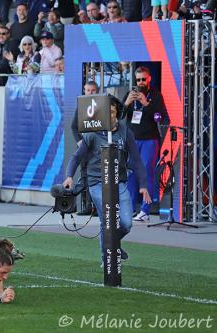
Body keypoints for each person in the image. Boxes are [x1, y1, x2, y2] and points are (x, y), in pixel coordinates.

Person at [63, 96, 152, 263]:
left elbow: (137, 159)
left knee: (126, 223)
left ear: (117, 113)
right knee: (108, 219)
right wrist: (69, 176)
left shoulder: (125, 131)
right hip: (97, 182)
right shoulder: (92, 134)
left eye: (112, 112)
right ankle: (107, 259)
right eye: (106, 112)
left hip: (119, 182)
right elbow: (76, 157)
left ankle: (113, 245)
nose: (109, 116)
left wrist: (143, 184)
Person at [124, 66, 169, 222]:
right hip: (132, 140)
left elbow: (161, 117)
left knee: (146, 173)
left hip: (150, 139)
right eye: (138, 80)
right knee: (130, 174)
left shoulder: (156, 95)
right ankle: (129, 209)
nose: (141, 82)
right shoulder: (131, 94)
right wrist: (127, 103)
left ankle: (145, 210)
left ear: (149, 78)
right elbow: (118, 116)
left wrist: (146, 104)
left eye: (143, 79)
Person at [70, 81, 98, 215]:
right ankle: (88, 206)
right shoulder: (80, 107)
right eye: (87, 90)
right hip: (85, 149)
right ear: (84, 91)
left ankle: (98, 207)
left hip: (98, 148)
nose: (90, 93)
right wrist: (79, 141)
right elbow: (73, 126)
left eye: (92, 91)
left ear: (97, 91)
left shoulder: (102, 106)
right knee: (85, 176)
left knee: (99, 178)